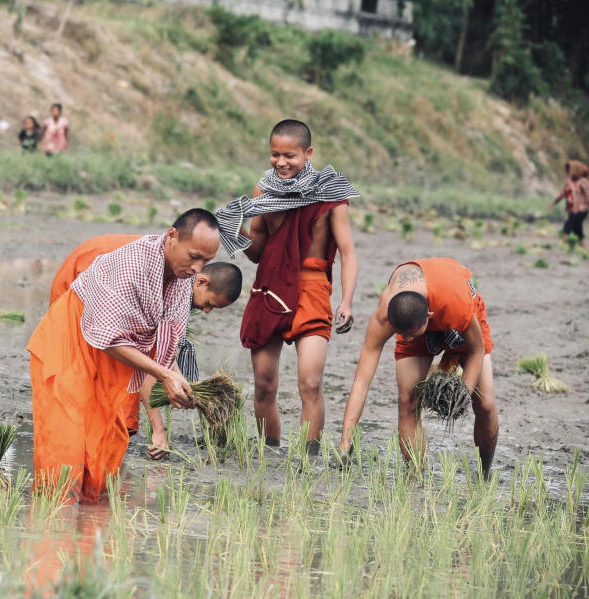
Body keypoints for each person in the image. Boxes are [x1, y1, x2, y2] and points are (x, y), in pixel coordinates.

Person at [28, 209, 220, 502]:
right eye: (194, 256)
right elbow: (107, 339)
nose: (198, 268)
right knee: (65, 446)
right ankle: (51, 531)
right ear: (171, 236)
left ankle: (88, 531)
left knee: (102, 459)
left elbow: (165, 343)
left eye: (206, 261)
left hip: (113, 360)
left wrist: (177, 379)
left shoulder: (181, 282)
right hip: (73, 340)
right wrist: (164, 374)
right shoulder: (132, 264)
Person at [215, 119, 358, 453]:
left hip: (312, 291)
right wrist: (233, 232)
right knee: (264, 385)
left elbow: (349, 253)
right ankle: (271, 453)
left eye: (290, 156)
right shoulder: (262, 192)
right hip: (270, 289)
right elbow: (258, 253)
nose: (281, 162)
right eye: (275, 154)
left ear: (308, 153)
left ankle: (307, 459)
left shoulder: (330, 193)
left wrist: (347, 301)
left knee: (310, 382)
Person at [49, 233, 242, 459]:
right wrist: (159, 431)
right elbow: (146, 365)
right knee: (85, 378)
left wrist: (181, 382)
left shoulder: (179, 284)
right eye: (209, 304)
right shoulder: (155, 280)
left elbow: (162, 356)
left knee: (116, 376)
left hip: (105, 273)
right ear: (201, 281)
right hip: (79, 279)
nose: (206, 311)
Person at [338, 258, 499, 479]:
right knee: (407, 400)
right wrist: (344, 445)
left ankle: (485, 473)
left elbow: (476, 351)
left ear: (429, 318)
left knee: (486, 404)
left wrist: (462, 392)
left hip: (456, 315)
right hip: (412, 318)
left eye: (413, 334)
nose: (410, 338)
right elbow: (361, 381)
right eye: (405, 335)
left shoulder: (456, 306)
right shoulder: (386, 317)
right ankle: (417, 475)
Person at [548, 159, 589, 244]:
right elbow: (562, 194)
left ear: (576, 170)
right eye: (568, 170)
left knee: (568, 226)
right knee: (577, 229)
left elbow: (588, 197)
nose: (568, 172)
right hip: (572, 209)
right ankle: (583, 246)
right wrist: (553, 203)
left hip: (582, 210)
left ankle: (562, 245)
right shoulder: (568, 182)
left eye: (570, 170)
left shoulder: (583, 182)